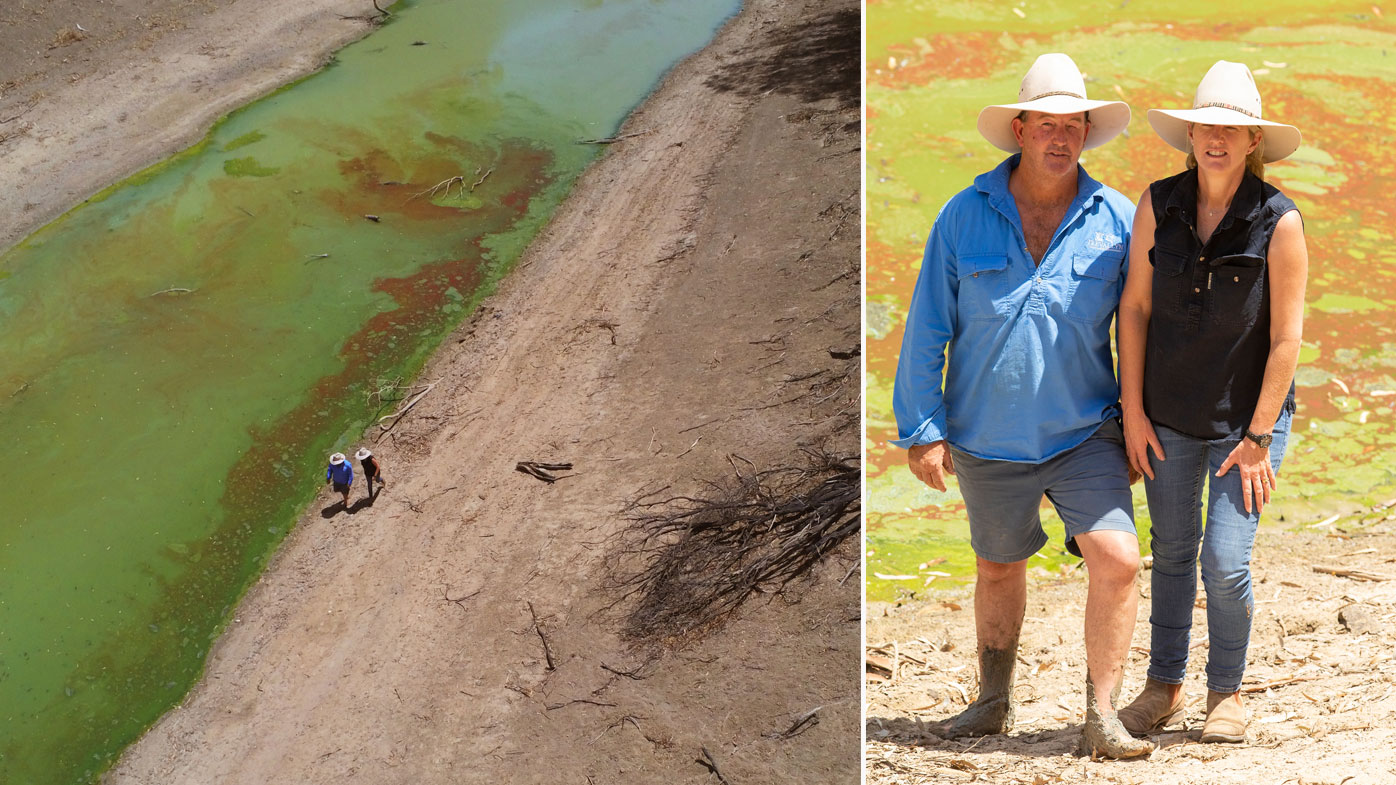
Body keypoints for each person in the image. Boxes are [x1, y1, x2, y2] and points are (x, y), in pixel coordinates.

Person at [893, 53, 1152, 758]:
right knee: (998, 566)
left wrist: (1139, 420)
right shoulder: (961, 215)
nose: (1061, 139)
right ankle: (992, 700)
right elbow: (927, 327)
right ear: (1020, 127)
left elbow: (1143, 327)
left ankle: (1101, 715)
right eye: (1047, 125)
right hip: (986, 436)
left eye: (1074, 126)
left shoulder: (1119, 219)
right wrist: (923, 428)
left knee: (1119, 559)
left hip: (1085, 433)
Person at [1115, 61, 1307, 744]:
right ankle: (1163, 688)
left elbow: (1286, 339)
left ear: (1253, 138)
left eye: (1231, 129)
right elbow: (1133, 310)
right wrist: (1132, 411)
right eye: (1206, 127)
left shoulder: (1279, 223)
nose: (1216, 139)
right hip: (1165, 413)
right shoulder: (1156, 205)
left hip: (1245, 425)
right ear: (1191, 133)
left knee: (1223, 561)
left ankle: (1225, 693)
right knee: (1169, 550)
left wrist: (1258, 436)